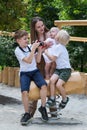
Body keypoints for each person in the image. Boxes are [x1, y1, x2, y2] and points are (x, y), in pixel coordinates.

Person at [14, 30, 48, 125]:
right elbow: (28, 61)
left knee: (44, 86)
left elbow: (37, 61)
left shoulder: (30, 47)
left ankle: (43, 107)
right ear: (18, 40)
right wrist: (33, 49)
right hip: (25, 73)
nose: (26, 40)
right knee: (24, 92)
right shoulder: (17, 50)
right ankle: (27, 113)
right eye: (24, 39)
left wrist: (40, 50)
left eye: (27, 38)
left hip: (34, 71)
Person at [28, 16, 57, 118]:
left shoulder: (50, 34)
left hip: (50, 63)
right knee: (36, 87)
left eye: (42, 25)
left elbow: (58, 45)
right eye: (38, 27)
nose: (41, 28)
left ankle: (53, 112)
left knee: (50, 86)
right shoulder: (33, 40)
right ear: (34, 29)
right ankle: (30, 112)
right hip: (38, 65)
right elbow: (34, 57)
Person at [45, 29, 72, 109]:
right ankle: (52, 98)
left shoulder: (60, 47)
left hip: (65, 70)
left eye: (57, 34)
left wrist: (46, 52)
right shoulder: (59, 47)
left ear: (58, 38)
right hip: (59, 69)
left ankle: (65, 99)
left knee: (58, 84)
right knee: (52, 81)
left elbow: (53, 58)